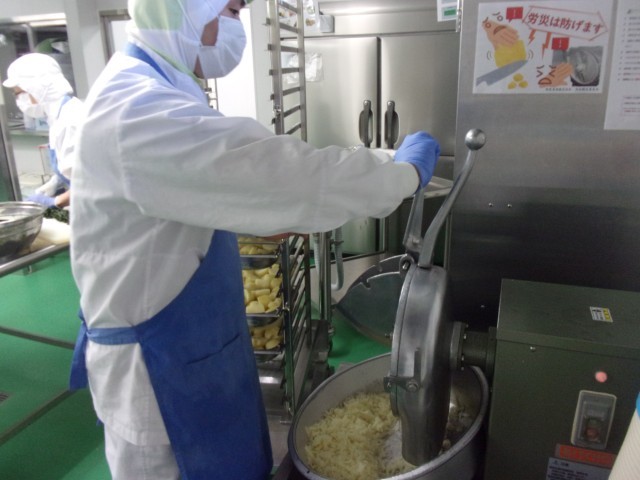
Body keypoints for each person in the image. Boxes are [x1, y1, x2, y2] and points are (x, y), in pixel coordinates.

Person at [68, 0, 440, 479]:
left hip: (196, 352)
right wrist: (401, 174)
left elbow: (253, 199)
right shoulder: (136, 113)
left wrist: (315, 199)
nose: (235, 28)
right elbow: (280, 175)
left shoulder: (162, 90)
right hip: (156, 376)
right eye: (229, 11)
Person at [2, 53, 82, 209]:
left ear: (36, 88)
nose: (19, 100)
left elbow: (89, 183)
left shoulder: (69, 121)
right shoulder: (58, 116)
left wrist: (54, 202)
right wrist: (57, 180)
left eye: (19, 93)